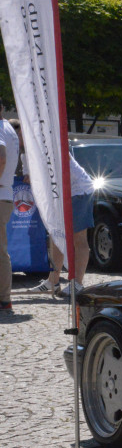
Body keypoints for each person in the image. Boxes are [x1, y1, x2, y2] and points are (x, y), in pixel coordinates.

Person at [28, 154, 95, 298]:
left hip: (78, 190)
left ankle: (78, 283)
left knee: (79, 238)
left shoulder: (52, 141)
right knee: (55, 234)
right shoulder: (28, 148)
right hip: (59, 194)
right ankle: (53, 281)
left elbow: (61, 164)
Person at [0, 101, 19, 315]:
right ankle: (4, 298)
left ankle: (4, 299)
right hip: (5, 193)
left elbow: (1, 158)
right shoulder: (8, 128)